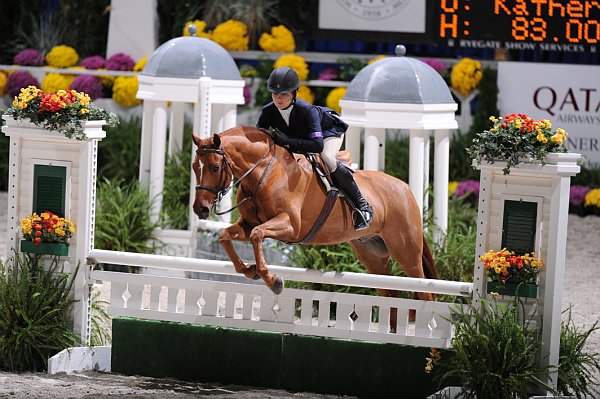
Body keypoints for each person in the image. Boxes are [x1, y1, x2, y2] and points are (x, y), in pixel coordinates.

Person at [256, 66, 373, 230]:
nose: (278, 99)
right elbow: (258, 135)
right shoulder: (268, 111)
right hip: (302, 137)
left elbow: (317, 145)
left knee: (327, 157)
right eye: (275, 94)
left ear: (294, 93)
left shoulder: (307, 111)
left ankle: (362, 205)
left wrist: (287, 141)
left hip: (327, 132)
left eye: (284, 94)